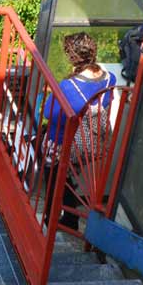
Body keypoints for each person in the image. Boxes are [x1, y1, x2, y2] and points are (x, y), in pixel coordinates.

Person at [42, 32, 116, 228]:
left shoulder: (69, 86)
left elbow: (49, 114)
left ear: (71, 56)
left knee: (49, 164)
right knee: (60, 169)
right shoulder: (109, 79)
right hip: (94, 142)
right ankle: (68, 216)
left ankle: (52, 217)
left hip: (70, 144)